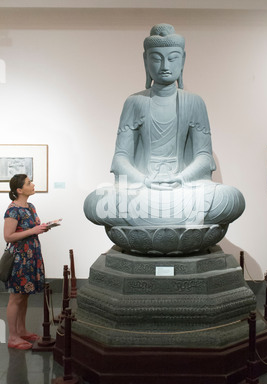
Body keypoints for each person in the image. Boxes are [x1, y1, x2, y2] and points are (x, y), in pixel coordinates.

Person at [84, 23, 245, 230]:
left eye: (172, 58)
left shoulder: (194, 102)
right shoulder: (134, 102)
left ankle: (149, 228)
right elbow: (120, 158)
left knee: (231, 199)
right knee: (95, 203)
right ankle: (179, 228)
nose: (164, 66)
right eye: (156, 58)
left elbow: (204, 157)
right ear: (145, 61)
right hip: (143, 188)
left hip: (183, 188)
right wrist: (144, 180)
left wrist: (180, 178)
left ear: (183, 61)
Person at [3, 174, 48, 350]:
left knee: (25, 295)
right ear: (19, 190)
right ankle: (13, 337)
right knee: (16, 297)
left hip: (31, 256)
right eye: (29, 183)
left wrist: (41, 228)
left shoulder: (30, 206)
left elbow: (31, 228)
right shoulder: (12, 210)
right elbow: (8, 236)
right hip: (19, 258)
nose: (33, 184)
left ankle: (21, 330)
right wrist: (33, 230)